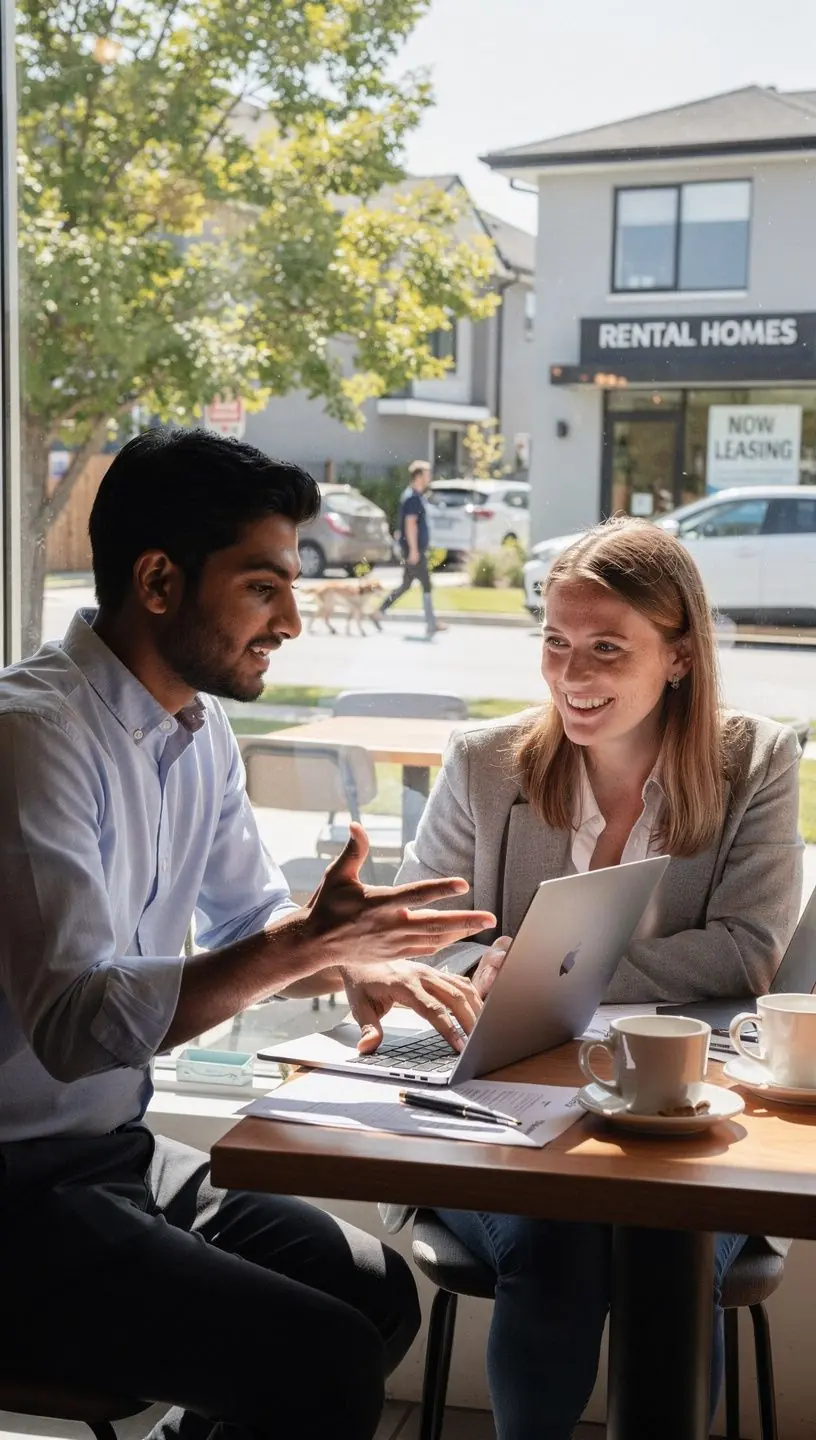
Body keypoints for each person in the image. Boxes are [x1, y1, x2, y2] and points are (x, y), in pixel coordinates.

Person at [0, 428, 494, 1440]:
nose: (295, 622)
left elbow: (246, 921)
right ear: (159, 580)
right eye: (265, 586)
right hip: (15, 1195)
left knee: (373, 1295)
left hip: (106, 1157)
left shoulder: (196, 726)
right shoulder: (30, 736)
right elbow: (75, 1024)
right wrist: (305, 950)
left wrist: (339, 955)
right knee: (322, 1359)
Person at [384, 516, 803, 1440]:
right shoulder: (485, 763)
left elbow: (746, 951)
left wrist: (554, 975)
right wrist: (474, 964)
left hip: (684, 1113)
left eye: (607, 649)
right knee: (560, 1235)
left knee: (665, 1241)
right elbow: (425, 941)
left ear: (680, 656)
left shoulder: (757, 762)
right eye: (557, 644)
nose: (573, 676)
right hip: (501, 1109)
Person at [379, 459, 447, 639]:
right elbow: (410, 525)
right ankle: (431, 623)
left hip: (413, 550)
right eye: (427, 474)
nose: (429, 478)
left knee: (406, 585)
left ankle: (379, 611)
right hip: (413, 551)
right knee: (426, 583)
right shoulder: (412, 498)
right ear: (418, 476)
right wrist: (414, 550)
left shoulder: (415, 496)